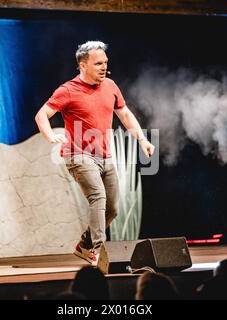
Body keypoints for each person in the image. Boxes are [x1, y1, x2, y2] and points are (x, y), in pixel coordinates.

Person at [35, 41, 155, 266]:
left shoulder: (110, 86)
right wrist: (50, 136)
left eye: (105, 63)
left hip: (105, 156)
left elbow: (125, 115)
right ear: (83, 65)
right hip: (78, 155)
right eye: (98, 63)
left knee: (112, 208)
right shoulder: (67, 90)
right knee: (97, 197)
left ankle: (85, 244)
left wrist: (143, 140)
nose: (104, 67)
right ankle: (97, 251)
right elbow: (42, 115)